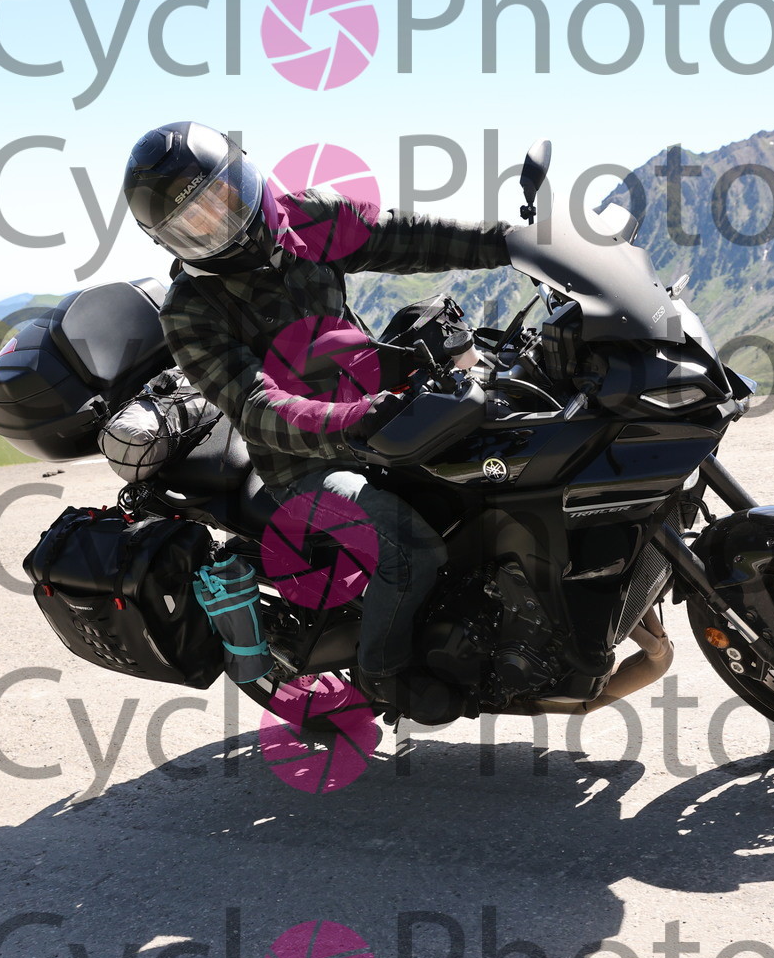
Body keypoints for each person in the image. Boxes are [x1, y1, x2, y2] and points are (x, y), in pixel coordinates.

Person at [122, 121, 512, 721]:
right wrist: (353, 419)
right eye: (193, 222)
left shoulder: (308, 219)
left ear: (242, 176)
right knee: (410, 547)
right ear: (169, 240)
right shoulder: (191, 308)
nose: (218, 221)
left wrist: (514, 244)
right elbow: (258, 406)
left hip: (383, 423)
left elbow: (409, 236)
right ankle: (385, 673)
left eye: (220, 197)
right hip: (303, 466)